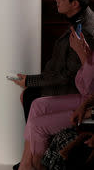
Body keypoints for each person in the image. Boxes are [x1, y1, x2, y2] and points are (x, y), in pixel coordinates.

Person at [13, 0, 94, 121]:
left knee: (29, 95)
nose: (56, 0)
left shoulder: (84, 32)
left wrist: (30, 81)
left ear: (75, 3)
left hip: (74, 90)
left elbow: (66, 76)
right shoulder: (80, 20)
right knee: (28, 94)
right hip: (69, 84)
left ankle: (33, 141)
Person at [16, 28, 94, 170]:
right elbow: (85, 86)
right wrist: (86, 56)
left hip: (90, 106)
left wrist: (83, 56)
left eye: (59, 2)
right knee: (38, 105)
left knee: (37, 126)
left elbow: (85, 86)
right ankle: (26, 163)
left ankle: (38, 165)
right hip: (88, 98)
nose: (56, 4)